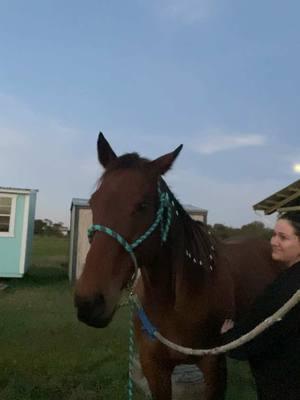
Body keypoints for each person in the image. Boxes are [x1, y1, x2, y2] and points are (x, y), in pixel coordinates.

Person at [221, 211, 300, 400]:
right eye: (274, 234)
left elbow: (257, 335)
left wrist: (229, 337)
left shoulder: (283, 290)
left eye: (283, 237)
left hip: (285, 386)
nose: (273, 241)